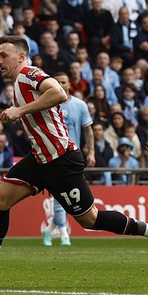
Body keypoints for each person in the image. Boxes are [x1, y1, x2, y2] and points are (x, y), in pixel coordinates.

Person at [0, 36, 148, 283]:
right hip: (40, 158)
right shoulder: (18, 83)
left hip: (61, 159)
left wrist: (20, 110)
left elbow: (58, 92)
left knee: (90, 220)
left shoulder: (29, 73)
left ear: (21, 56)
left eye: (3, 55)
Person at [42, 72, 96, 247]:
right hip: (53, 157)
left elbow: (88, 130)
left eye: (63, 82)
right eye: (56, 82)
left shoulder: (79, 105)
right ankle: (64, 235)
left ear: (69, 85)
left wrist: (91, 152)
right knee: (59, 196)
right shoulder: (46, 105)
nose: (60, 84)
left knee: (69, 198)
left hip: (73, 157)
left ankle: (49, 230)